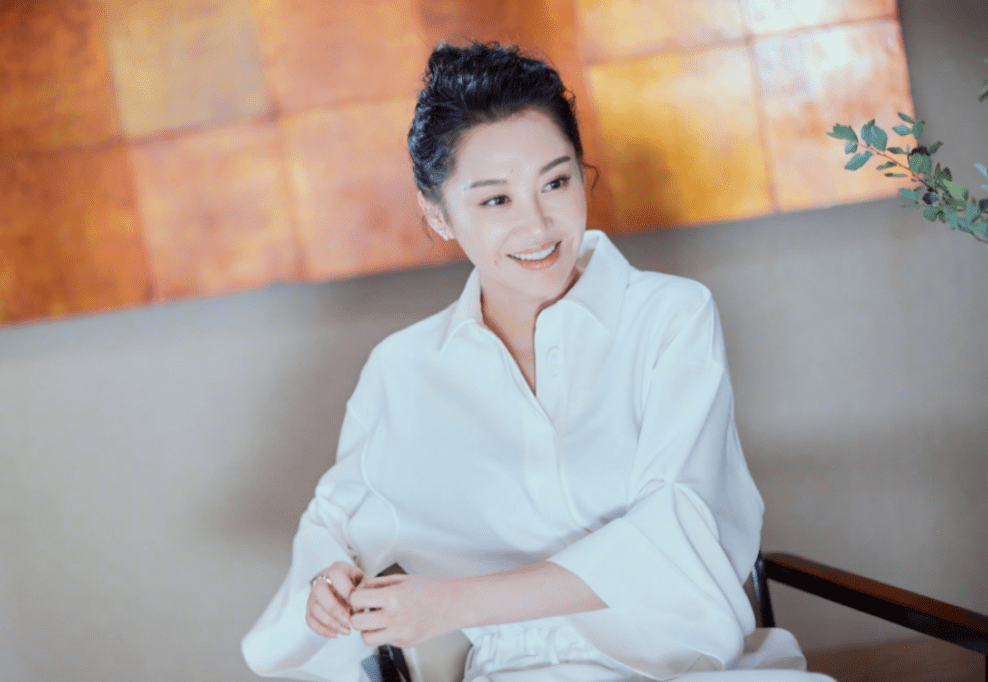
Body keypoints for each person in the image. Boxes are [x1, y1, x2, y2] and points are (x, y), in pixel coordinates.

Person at [242, 42, 833, 682]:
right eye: (495, 200)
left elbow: (681, 525)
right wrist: (328, 581)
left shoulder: (671, 316)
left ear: (583, 173)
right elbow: (333, 522)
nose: (538, 226)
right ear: (438, 215)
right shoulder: (403, 370)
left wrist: (455, 604)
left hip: (692, 669)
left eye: (555, 182)